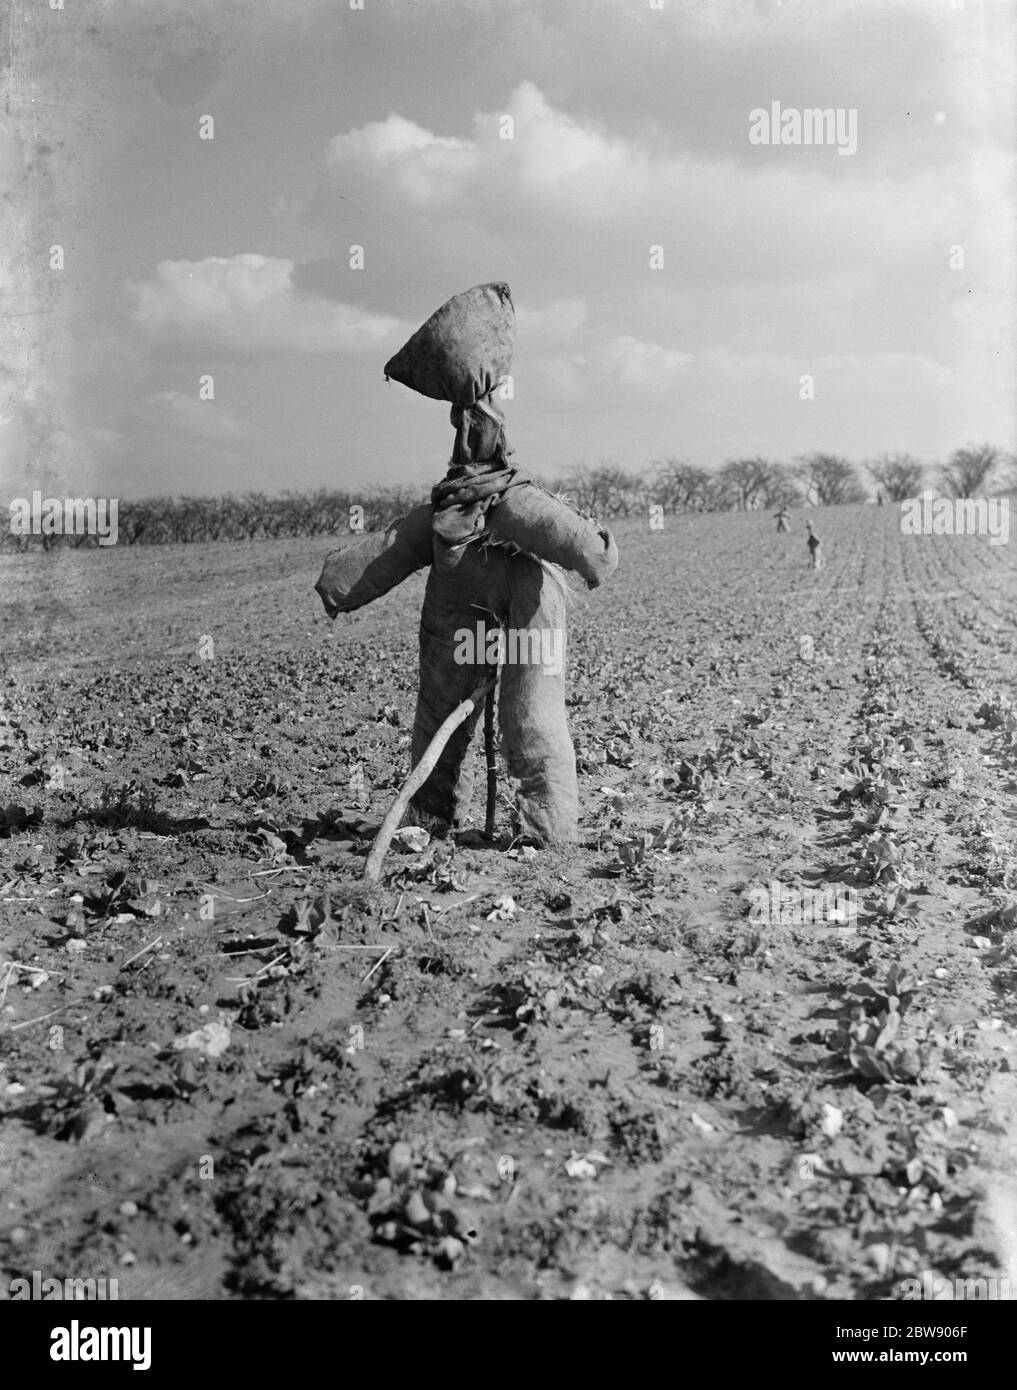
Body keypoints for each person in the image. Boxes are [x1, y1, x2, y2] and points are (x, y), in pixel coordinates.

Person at [315, 285, 618, 846]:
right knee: (499, 718)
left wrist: (337, 587)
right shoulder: (498, 501)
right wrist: (337, 587)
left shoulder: (489, 505)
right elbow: (592, 552)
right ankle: (494, 827)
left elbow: (377, 559)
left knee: (522, 718)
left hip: (507, 618)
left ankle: (532, 830)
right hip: (488, 620)